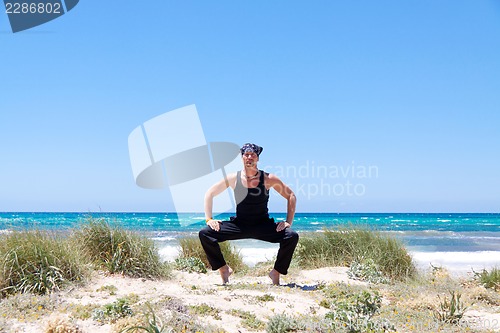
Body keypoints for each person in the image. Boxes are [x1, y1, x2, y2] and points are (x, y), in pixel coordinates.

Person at [199, 143, 299, 285]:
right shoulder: (234, 178)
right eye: (246, 154)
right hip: (239, 225)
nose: (249, 157)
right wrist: (209, 219)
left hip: (263, 226)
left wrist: (288, 221)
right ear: (242, 158)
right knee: (205, 233)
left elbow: (291, 196)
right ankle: (224, 269)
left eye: (253, 155)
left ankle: (276, 273)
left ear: (257, 158)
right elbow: (210, 193)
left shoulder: (268, 178)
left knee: (291, 236)